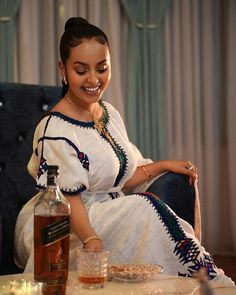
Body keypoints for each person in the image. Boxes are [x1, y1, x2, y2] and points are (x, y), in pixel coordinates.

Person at [14, 17, 234, 285]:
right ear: (63, 69)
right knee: (144, 206)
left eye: (102, 68)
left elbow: (120, 178)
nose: (94, 79)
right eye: (81, 70)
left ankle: (196, 282)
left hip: (110, 212)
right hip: (64, 227)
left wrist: (163, 165)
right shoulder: (55, 128)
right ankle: (207, 282)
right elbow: (67, 201)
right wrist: (92, 239)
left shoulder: (109, 114)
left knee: (141, 208)